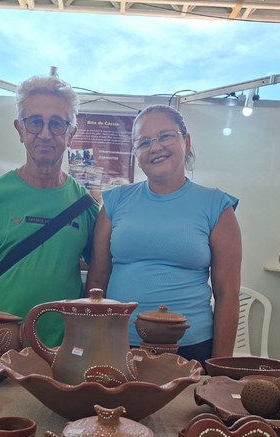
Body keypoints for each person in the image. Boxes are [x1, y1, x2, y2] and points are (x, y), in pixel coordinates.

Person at [85, 104, 242, 364]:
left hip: (191, 350)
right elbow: (97, 280)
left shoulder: (217, 206)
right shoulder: (114, 202)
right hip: (116, 345)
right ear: (136, 154)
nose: (155, 147)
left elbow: (227, 294)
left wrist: (220, 369)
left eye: (165, 136)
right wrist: (90, 343)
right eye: (143, 142)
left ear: (186, 141)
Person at [0, 74, 99, 346]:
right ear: (20, 129)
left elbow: (100, 272)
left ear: (72, 134)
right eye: (35, 122)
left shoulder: (86, 205)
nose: (45, 133)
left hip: (62, 348)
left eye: (57, 123)